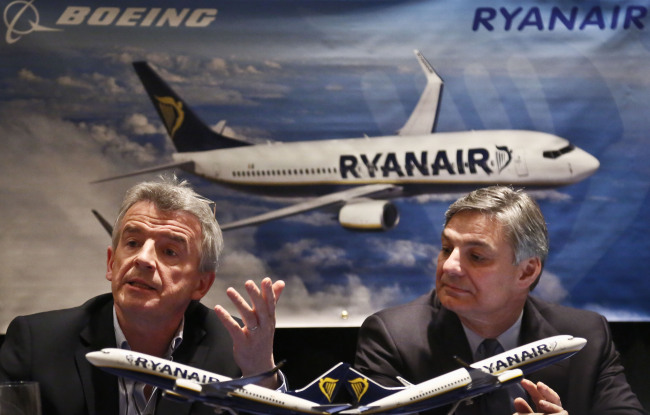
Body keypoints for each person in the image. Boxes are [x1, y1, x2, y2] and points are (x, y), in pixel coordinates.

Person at [0, 176, 285, 415]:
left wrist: (261, 376)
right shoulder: (37, 343)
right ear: (112, 263)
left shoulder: (234, 351)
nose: (143, 259)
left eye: (169, 251)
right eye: (133, 243)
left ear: (201, 284)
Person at [354, 185, 646, 415]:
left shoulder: (585, 336)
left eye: (476, 256)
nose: (449, 266)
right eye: (446, 248)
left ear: (527, 271)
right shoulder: (392, 336)